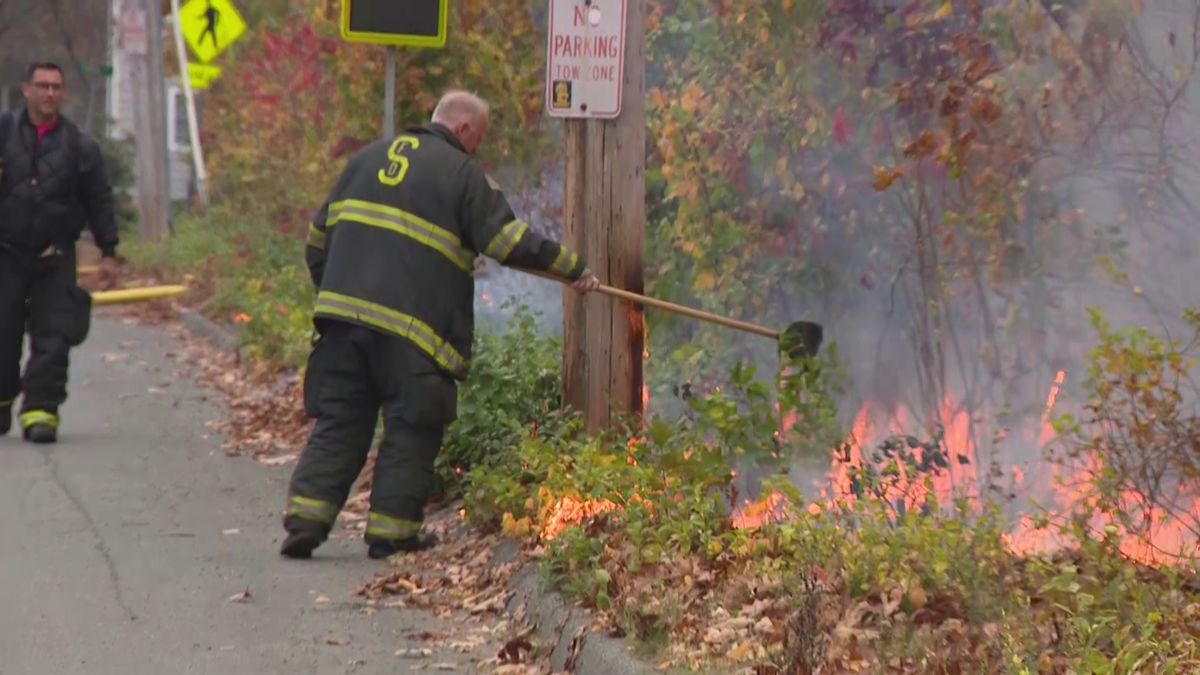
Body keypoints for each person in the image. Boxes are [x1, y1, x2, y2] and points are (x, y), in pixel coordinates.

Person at [280, 90, 600, 560]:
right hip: (413, 335)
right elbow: (507, 240)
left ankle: (305, 520)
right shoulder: (462, 174)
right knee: (413, 426)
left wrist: (336, 296)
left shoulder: (365, 160)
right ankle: (391, 532)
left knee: (341, 421)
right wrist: (572, 268)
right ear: (465, 130)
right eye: (479, 140)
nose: (478, 150)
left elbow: (315, 241)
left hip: (342, 325)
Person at [0, 62, 119, 444]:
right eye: (42, 86)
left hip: (55, 256)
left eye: (56, 86)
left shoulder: (80, 146)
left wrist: (108, 252)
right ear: (26, 90)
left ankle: (41, 412)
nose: (50, 93)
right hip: (6, 254)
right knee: (3, 334)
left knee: (54, 338)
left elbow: (99, 200)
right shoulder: (3, 135)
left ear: (63, 94)